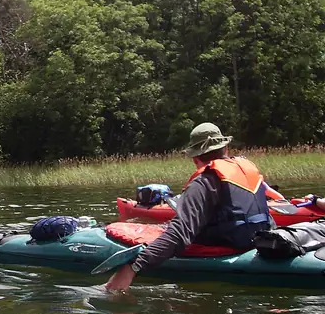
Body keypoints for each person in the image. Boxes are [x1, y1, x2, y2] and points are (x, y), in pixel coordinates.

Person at [106, 122, 274, 292]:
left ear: (195, 158)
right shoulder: (250, 172)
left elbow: (179, 234)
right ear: (226, 149)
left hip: (226, 246)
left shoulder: (203, 183)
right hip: (256, 242)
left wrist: (133, 267)